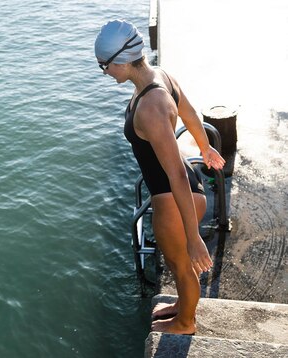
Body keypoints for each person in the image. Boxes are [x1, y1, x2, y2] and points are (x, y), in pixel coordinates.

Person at [94, 20, 225, 335]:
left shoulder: (150, 108)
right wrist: (205, 148)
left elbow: (176, 175)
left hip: (173, 198)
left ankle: (185, 323)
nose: (105, 72)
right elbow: (190, 114)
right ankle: (182, 306)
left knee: (182, 266)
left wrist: (194, 238)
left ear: (121, 61)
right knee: (180, 266)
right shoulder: (159, 76)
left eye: (104, 66)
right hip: (186, 188)